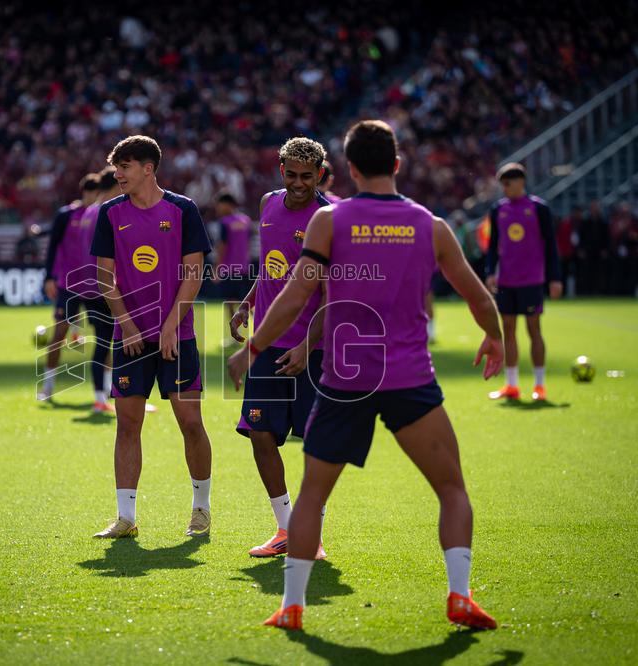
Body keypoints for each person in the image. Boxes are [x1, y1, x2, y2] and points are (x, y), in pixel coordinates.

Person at [227, 120, 502, 631]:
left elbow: (295, 295)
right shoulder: (431, 225)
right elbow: (476, 294)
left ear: (347, 170)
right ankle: (460, 596)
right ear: (397, 165)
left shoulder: (331, 222)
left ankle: (291, 606)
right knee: (452, 490)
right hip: (409, 376)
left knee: (312, 493)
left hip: (345, 374)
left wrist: (254, 347)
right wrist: (496, 336)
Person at [90, 135, 213, 538]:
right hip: (130, 338)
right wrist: (126, 325)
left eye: (124, 166)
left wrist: (171, 327)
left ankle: (201, 508)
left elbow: (193, 274)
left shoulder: (183, 210)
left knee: (190, 421)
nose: (117, 174)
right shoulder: (109, 213)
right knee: (127, 424)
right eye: (116, 167)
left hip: (177, 336)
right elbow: (104, 278)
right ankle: (125, 518)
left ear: (148, 168)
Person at [229, 137, 329, 560]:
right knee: (259, 432)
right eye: (292, 174)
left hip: (313, 350)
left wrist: (308, 346)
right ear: (280, 170)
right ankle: (286, 528)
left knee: (315, 448)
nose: (299, 183)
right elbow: (273, 267)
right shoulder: (268, 203)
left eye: (308, 176)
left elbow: (332, 294)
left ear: (320, 173)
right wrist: (248, 305)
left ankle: (312, 535)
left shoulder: (329, 218)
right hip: (268, 346)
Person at [40, 170, 117, 413]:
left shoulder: (92, 213)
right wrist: (49, 276)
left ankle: (104, 391)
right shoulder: (68, 215)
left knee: (105, 338)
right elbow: (53, 246)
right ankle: (48, 385)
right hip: (69, 284)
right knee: (60, 333)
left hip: (89, 284)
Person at [484, 163, 561, 402]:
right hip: (506, 279)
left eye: (508, 183)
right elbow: (493, 245)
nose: (504, 189)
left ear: (520, 182)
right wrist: (490, 272)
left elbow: (551, 246)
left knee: (533, 329)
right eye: (502, 185)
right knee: (508, 329)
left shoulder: (539, 208)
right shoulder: (498, 210)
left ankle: (539, 386)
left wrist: (555, 277)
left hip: (531, 280)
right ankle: (512, 385)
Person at [213, 191, 252, 331]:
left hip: (229, 268)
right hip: (244, 267)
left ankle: (234, 331)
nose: (217, 208)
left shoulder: (224, 222)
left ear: (227, 204)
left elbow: (222, 246)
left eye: (219, 205)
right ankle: (256, 329)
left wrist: (217, 268)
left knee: (229, 301)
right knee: (245, 301)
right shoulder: (246, 220)